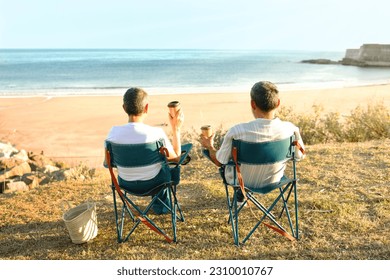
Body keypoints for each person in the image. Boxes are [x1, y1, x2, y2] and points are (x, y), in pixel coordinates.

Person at [200, 81, 305, 202]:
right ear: (278, 103)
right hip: (275, 180)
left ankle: (241, 196)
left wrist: (210, 146)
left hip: (242, 182)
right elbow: (299, 156)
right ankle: (242, 196)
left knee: (228, 166)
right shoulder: (291, 129)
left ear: (253, 104)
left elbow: (220, 161)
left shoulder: (237, 132)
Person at [104, 87, 184, 214]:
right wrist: (176, 129)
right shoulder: (156, 134)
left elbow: (107, 163)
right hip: (155, 184)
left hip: (125, 183)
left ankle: (161, 206)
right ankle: (162, 206)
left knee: (158, 165)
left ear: (124, 108)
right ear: (146, 108)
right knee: (165, 165)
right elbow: (176, 159)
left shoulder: (112, 135)